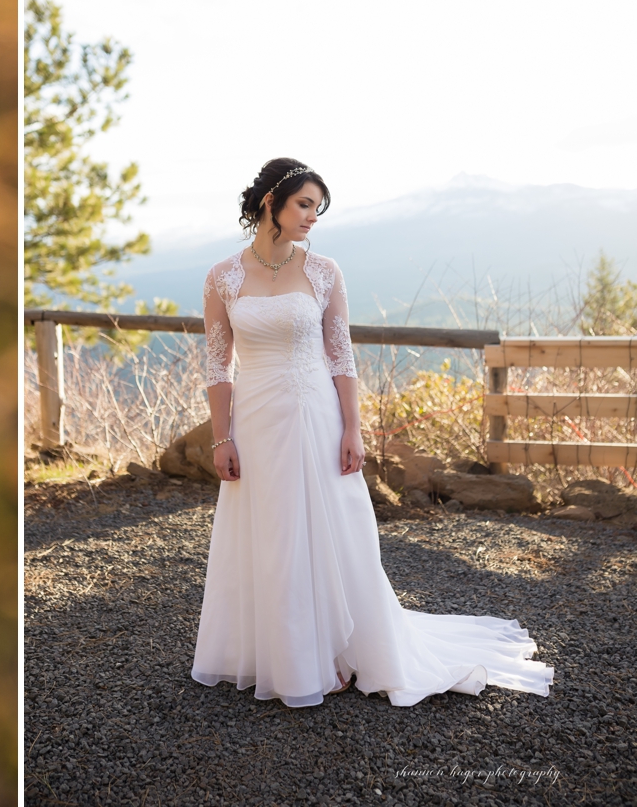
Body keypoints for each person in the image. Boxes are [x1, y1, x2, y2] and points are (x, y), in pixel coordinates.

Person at [189, 157, 554, 707]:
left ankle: (341, 652)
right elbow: (219, 367)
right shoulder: (223, 276)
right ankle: (283, 655)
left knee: (337, 532)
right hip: (258, 422)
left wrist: (353, 429)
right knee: (273, 534)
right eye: (304, 205)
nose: (313, 216)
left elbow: (341, 357)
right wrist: (222, 438)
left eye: (317, 207)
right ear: (272, 203)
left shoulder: (324, 271)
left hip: (318, 415)